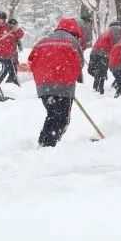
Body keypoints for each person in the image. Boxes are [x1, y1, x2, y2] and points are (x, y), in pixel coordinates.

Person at [28, 18, 84, 147]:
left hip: (44, 86)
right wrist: (70, 77)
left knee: (52, 114)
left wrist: (43, 76)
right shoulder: (72, 41)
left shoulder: (44, 40)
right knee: (62, 119)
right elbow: (79, 62)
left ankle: (44, 142)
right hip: (63, 86)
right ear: (74, 31)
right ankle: (48, 145)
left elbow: (31, 60)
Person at [89, 20, 121, 94]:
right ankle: (99, 91)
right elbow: (117, 45)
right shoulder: (117, 30)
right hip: (103, 54)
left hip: (94, 52)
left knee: (98, 73)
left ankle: (96, 89)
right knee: (101, 73)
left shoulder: (107, 31)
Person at [0, 18, 25, 87]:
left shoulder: (14, 32)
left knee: (13, 72)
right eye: (12, 25)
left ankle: (12, 86)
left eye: (15, 25)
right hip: (4, 55)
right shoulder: (5, 30)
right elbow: (3, 43)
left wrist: (16, 29)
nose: (13, 27)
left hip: (12, 56)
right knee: (5, 69)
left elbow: (21, 34)